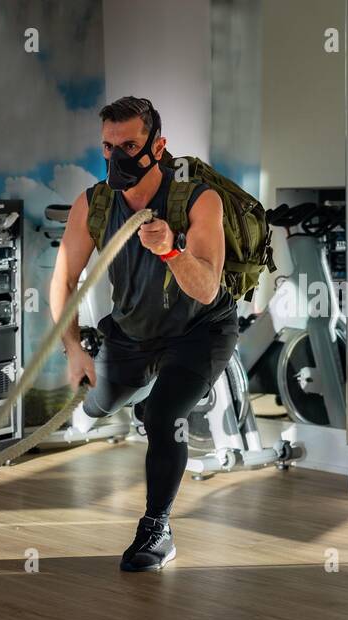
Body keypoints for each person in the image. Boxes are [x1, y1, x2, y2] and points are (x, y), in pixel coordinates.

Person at [51, 96, 239, 571]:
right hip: (134, 331)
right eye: (108, 147)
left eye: (130, 145)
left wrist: (171, 251)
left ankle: (157, 528)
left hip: (200, 331)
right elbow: (64, 279)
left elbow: (206, 287)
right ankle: (126, 385)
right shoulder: (94, 204)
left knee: (164, 416)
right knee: (96, 404)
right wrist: (73, 348)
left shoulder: (197, 200)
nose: (117, 157)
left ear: (158, 147)